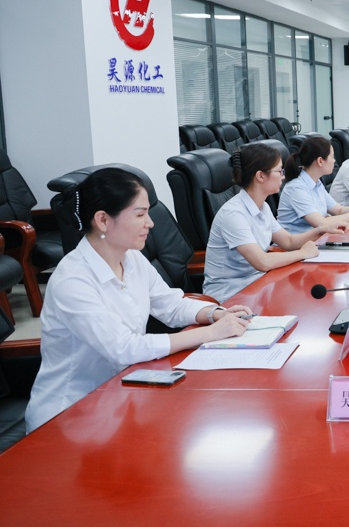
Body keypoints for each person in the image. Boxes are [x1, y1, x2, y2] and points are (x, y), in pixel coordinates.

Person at [25, 168, 252, 433]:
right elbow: (124, 348)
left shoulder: (131, 258)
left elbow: (172, 305)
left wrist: (215, 314)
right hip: (70, 416)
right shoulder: (73, 280)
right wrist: (210, 333)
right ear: (103, 220)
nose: (150, 223)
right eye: (140, 214)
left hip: (121, 395)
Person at [204, 142, 337, 303]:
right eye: (279, 171)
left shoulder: (263, 207)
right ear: (260, 176)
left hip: (258, 284)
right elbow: (262, 262)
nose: (283, 176)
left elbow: (288, 241)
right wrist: (303, 253)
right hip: (230, 294)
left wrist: (320, 230)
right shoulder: (233, 214)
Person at [277, 136, 349, 234]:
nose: (334, 161)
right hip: (298, 243)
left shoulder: (317, 182)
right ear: (320, 161)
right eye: (332, 157)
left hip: (316, 239)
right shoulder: (297, 188)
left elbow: (338, 210)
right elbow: (321, 223)